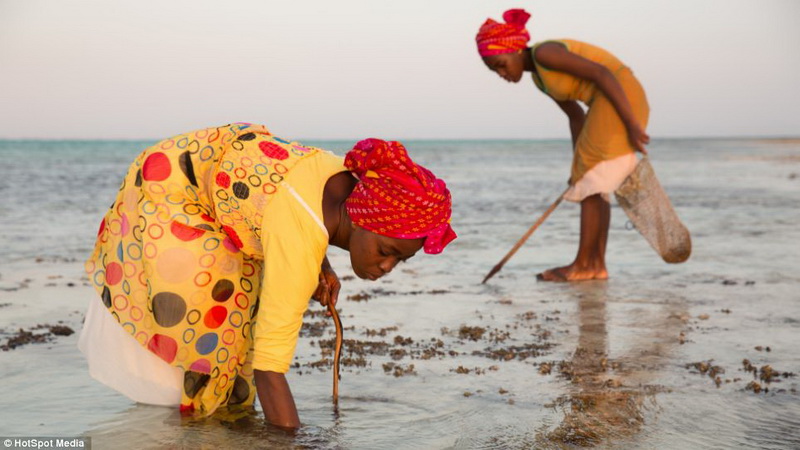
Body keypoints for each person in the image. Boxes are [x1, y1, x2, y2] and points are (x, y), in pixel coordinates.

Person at [78, 122, 456, 429]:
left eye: (399, 260)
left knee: (244, 316)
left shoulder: (345, 181)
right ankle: (197, 424)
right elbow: (270, 366)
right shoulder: (298, 242)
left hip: (211, 172)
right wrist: (291, 440)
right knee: (221, 323)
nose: (387, 267)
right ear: (360, 218)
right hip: (170, 187)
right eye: (386, 251)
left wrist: (321, 265)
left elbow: (301, 208)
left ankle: (221, 423)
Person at [475, 9, 650, 281]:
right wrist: (577, 165)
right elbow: (575, 115)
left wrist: (631, 125)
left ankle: (583, 265)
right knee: (593, 180)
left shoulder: (545, 54)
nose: (501, 73)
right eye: (494, 70)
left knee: (591, 179)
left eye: (501, 64)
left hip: (619, 96)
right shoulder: (540, 79)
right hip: (608, 103)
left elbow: (602, 74)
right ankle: (596, 265)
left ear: (516, 49)